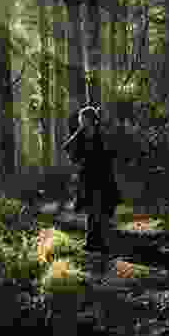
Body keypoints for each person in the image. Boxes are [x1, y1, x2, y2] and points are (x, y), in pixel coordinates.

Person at [62, 105, 122, 251]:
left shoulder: (101, 132)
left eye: (82, 118)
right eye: (80, 119)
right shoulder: (80, 134)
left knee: (101, 210)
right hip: (87, 177)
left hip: (102, 176)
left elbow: (111, 151)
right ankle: (91, 242)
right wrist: (78, 161)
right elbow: (68, 148)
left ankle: (101, 243)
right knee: (91, 210)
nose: (80, 121)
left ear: (89, 119)